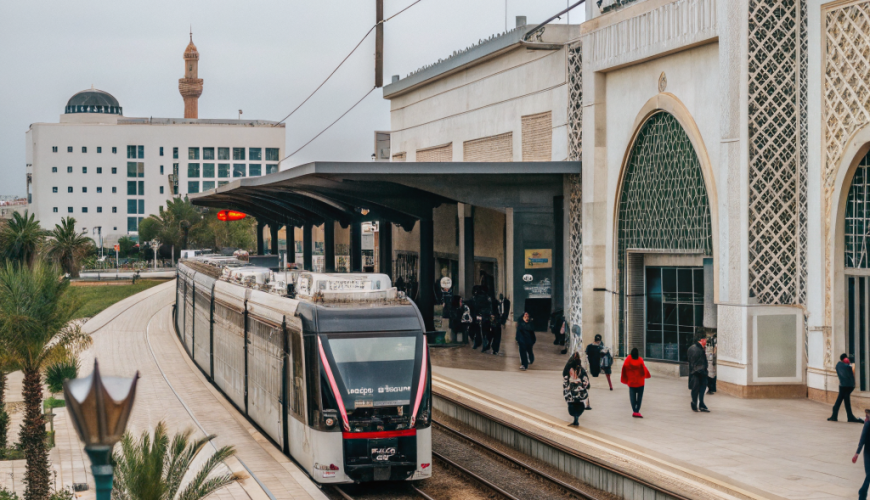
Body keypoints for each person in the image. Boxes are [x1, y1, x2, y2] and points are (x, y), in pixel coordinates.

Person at [830, 353, 864, 423]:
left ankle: (838, 415)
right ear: (845, 359)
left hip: (842, 385)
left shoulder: (838, 365)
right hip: (847, 386)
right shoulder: (846, 366)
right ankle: (848, 416)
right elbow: (850, 372)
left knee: (844, 400)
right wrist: (850, 364)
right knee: (842, 400)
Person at [620, 347, 651, 417]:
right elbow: (643, 369)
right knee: (639, 397)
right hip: (640, 382)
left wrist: (626, 377)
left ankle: (634, 411)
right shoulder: (640, 360)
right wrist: (646, 374)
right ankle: (637, 410)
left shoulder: (628, 360)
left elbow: (624, 368)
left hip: (631, 382)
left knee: (632, 398)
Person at [563, 352, 590, 426]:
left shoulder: (568, 368)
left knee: (572, 404)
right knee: (577, 404)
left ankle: (575, 419)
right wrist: (584, 386)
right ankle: (576, 419)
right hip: (579, 392)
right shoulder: (581, 369)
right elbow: (586, 380)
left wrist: (566, 387)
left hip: (571, 391)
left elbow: (565, 377)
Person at [687, 334, 710, 413]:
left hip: (694, 372)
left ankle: (696, 403)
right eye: (705, 339)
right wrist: (703, 372)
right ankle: (699, 404)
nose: (706, 341)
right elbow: (699, 362)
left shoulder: (692, 348)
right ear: (701, 340)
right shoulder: (698, 349)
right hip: (699, 373)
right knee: (700, 389)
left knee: (695, 389)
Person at [854, 409, 870, 500]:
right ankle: (862, 493)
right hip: (868, 452)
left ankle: (862, 492)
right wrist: (857, 453)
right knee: (869, 474)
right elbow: (862, 439)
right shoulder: (867, 425)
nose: (866, 417)